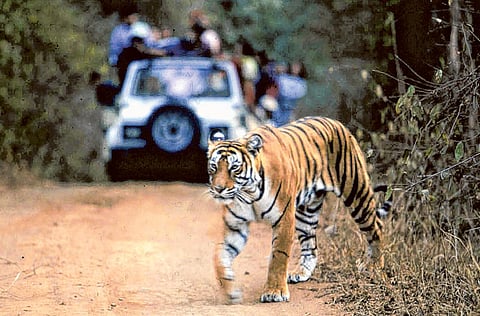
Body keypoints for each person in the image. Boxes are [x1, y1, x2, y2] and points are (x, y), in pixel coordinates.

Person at [272, 61, 307, 127]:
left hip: (290, 109)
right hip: (279, 106)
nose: (295, 68)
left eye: (297, 67)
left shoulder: (302, 82)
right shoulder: (283, 77)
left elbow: (299, 94)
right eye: (294, 66)